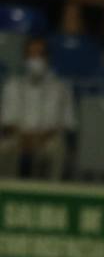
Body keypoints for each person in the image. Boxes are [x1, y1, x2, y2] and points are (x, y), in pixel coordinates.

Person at [0, 38, 76, 180]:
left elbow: (66, 124)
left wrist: (38, 140)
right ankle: (5, 191)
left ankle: (53, 192)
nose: (35, 60)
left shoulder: (61, 88)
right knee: (3, 147)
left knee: (57, 148)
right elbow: (6, 121)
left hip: (47, 139)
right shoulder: (12, 85)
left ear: (48, 58)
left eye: (40, 55)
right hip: (18, 138)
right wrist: (24, 139)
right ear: (25, 58)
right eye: (31, 55)